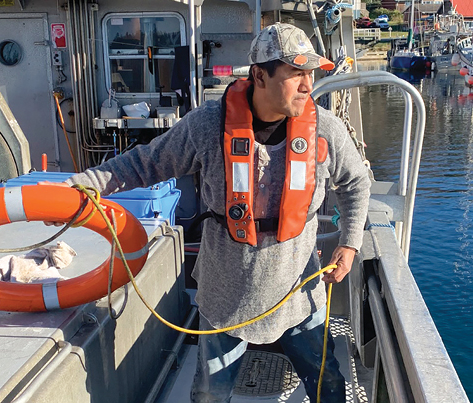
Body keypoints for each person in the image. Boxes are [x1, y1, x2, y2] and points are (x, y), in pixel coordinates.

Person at [62, 22, 371, 403]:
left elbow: (356, 183)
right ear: (259, 74)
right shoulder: (208, 125)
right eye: (295, 74)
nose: (308, 84)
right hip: (225, 298)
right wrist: (82, 185)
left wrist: (350, 242)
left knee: (328, 384)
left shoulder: (326, 129)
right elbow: (144, 164)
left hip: (298, 292)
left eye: (311, 73)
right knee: (211, 394)